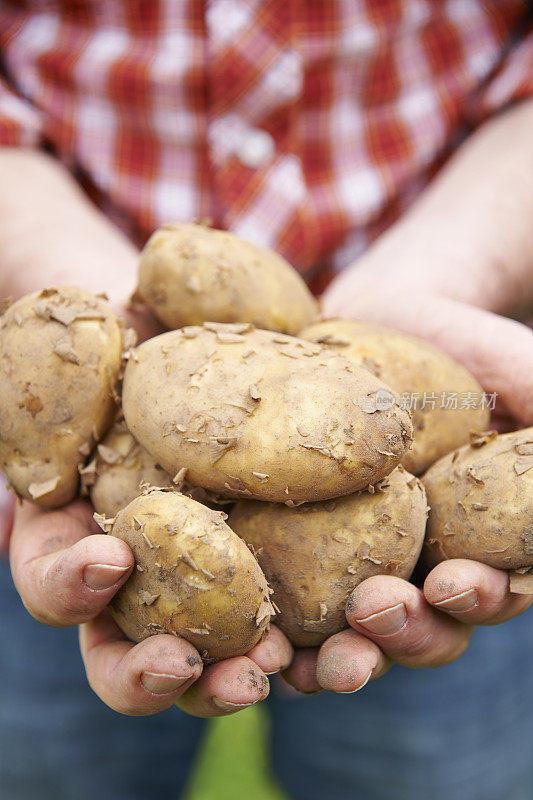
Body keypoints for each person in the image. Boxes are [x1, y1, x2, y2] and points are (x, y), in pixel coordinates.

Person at [1, 1, 533, 798]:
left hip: (435, 253)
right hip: (52, 450)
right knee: (53, 766)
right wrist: (80, 299)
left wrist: (443, 277)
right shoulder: (149, 384)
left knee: (427, 771)